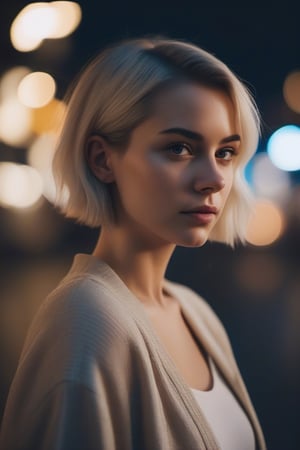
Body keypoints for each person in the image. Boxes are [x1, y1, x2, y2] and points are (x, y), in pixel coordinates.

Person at [0, 37, 266, 450]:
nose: (214, 179)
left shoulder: (195, 312)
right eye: (179, 148)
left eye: (226, 152)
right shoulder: (85, 323)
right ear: (102, 160)